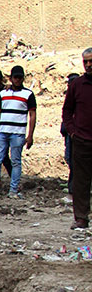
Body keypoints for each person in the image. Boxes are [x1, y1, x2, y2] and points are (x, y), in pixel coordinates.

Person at [0, 64, 36, 198]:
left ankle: (13, 189)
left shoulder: (28, 94)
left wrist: (30, 135)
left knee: (15, 161)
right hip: (2, 131)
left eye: (19, 77)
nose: (17, 80)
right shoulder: (3, 93)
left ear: (23, 78)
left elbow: (32, 115)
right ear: (11, 78)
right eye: (15, 77)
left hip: (18, 133)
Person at [62, 49, 92, 232]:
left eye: (91, 61)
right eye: (85, 62)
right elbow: (67, 110)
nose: (88, 65)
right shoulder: (77, 85)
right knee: (80, 182)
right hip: (81, 141)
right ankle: (81, 218)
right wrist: (72, 132)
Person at [61, 71, 81, 199]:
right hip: (71, 132)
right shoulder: (71, 95)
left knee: (76, 161)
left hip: (79, 133)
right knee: (71, 159)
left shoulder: (81, 95)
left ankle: (74, 188)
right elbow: (66, 113)